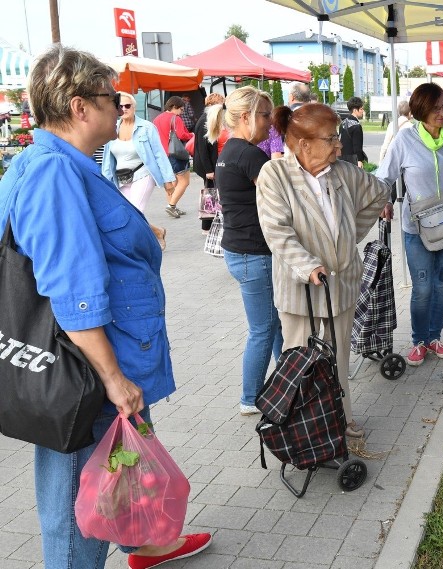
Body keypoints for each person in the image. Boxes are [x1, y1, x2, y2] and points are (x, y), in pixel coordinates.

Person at [0, 44, 211, 569]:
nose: (120, 107)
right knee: (77, 505)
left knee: (114, 472)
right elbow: (73, 290)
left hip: (88, 362)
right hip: (86, 373)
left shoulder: (55, 162)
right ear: (78, 107)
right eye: (110, 98)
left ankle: (146, 541)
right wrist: (114, 379)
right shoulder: (54, 172)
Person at [256, 103, 390, 437]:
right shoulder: (275, 175)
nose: (339, 145)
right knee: (298, 362)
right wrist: (308, 264)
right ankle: (301, 430)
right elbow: (277, 231)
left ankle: (340, 420)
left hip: (341, 282)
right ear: (304, 144)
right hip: (299, 287)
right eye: (330, 139)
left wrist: (348, 236)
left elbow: (379, 193)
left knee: (338, 358)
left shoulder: (343, 172)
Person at [375, 83, 443, 367]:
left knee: (442, 285)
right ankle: (419, 340)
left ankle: (434, 337)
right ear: (421, 110)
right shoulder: (404, 140)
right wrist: (382, 200)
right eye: (436, 107)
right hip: (416, 228)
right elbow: (384, 177)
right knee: (423, 288)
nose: (442, 112)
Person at [207, 86, 283, 416]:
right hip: (253, 254)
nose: (271, 123)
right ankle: (250, 398)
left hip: (242, 252)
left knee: (275, 324)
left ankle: (291, 379)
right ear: (247, 117)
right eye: (266, 115)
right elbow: (281, 199)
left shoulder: (231, 150)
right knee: (263, 329)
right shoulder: (250, 155)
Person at [102, 91, 174, 250]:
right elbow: (108, 159)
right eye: (120, 106)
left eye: (127, 105)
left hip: (143, 174)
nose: (124, 109)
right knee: (125, 211)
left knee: (134, 211)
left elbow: (159, 154)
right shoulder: (112, 128)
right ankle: (156, 231)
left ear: (134, 107)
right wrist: (105, 183)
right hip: (121, 178)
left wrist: (168, 180)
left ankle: (135, 246)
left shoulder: (146, 127)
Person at [152, 96, 192, 218]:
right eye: (181, 109)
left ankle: (172, 205)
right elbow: (182, 135)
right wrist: (191, 135)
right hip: (175, 154)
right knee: (184, 181)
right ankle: (171, 206)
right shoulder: (175, 118)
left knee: (172, 182)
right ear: (174, 107)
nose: (181, 112)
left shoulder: (157, 119)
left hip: (162, 154)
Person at [192, 92, 226, 233]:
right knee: (210, 195)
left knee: (210, 194)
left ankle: (208, 225)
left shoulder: (207, 119)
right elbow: (202, 148)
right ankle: (206, 226)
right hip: (207, 166)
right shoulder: (205, 120)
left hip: (208, 165)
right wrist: (209, 170)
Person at [379, 99, 412, 163]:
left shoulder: (392, 124)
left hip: (392, 159)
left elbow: (386, 144)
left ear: (398, 112)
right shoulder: (411, 127)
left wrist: (381, 161)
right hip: (406, 161)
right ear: (410, 113)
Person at [339, 96, 368, 167]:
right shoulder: (356, 126)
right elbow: (357, 146)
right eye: (361, 109)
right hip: (352, 160)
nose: (362, 111)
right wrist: (359, 160)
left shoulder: (342, 123)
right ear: (355, 110)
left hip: (341, 159)